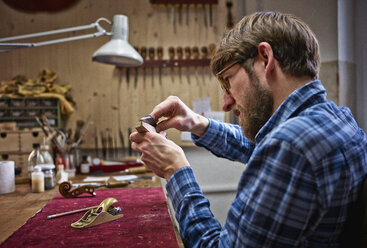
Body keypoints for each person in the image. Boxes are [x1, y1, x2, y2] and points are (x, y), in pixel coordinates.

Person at [130, 11, 367, 247]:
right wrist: (199, 125)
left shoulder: (290, 146)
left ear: (265, 58)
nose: (225, 102)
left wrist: (175, 170)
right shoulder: (337, 120)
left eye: (228, 81)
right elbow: (261, 148)